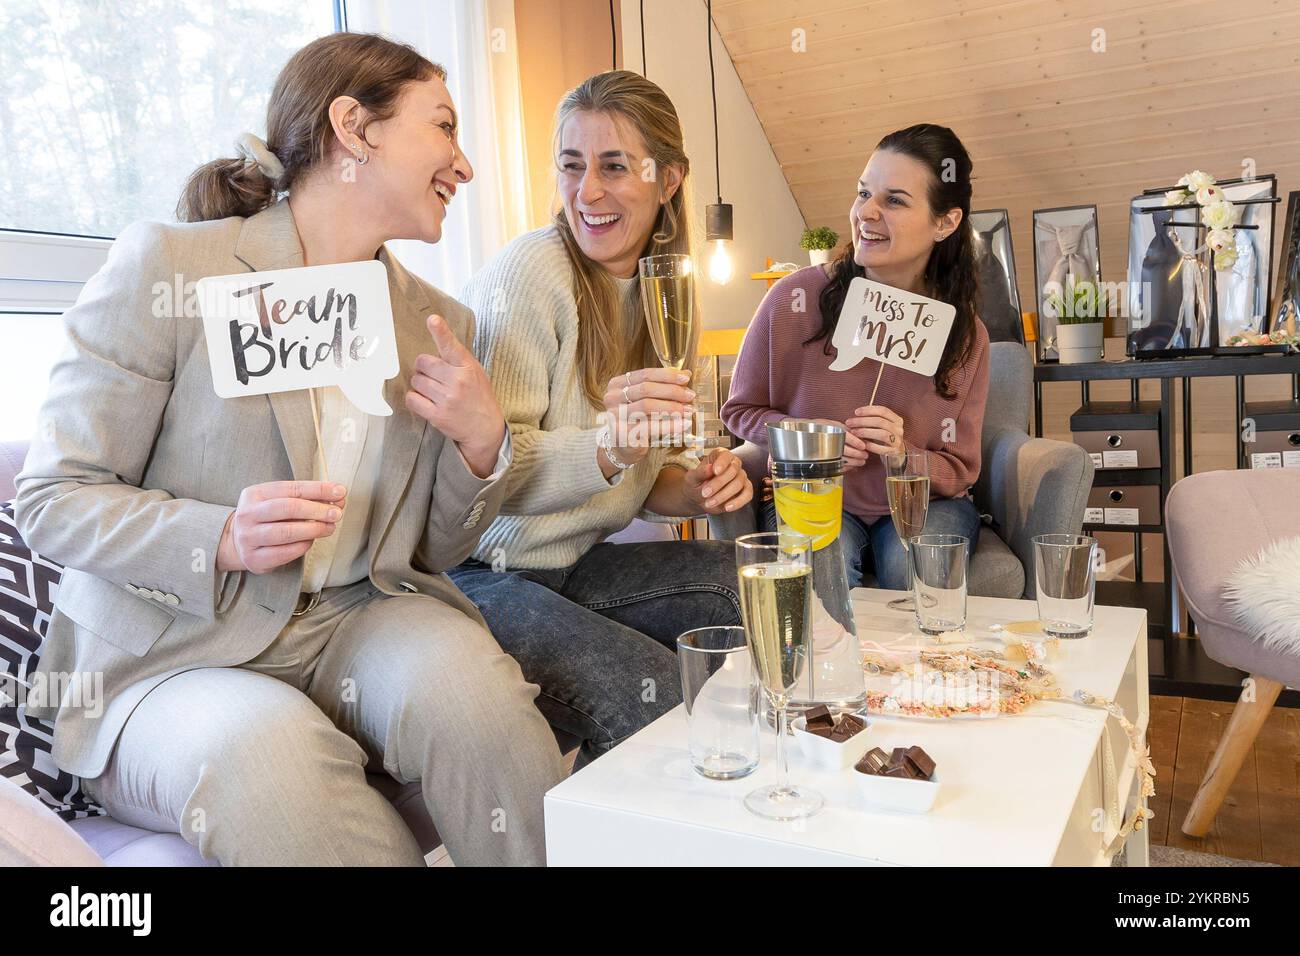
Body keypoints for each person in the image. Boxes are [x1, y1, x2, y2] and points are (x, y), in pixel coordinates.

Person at [14, 33, 566, 867]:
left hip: (353, 616)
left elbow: (434, 548)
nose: (465, 163)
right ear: (355, 128)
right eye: (444, 127)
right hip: (168, 657)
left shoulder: (433, 318)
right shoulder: (171, 267)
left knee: (476, 698)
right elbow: (52, 497)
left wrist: (483, 448)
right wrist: (220, 536)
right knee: (270, 758)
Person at [450, 71, 753, 766]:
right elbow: (490, 487)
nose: (587, 192)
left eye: (614, 167)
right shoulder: (531, 275)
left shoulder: (665, 287)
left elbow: (649, 478)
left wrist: (695, 486)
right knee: (648, 696)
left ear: (668, 178)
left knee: (750, 593)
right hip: (484, 571)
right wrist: (610, 448)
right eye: (571, 165)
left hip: (576, 562)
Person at [721, 123, 990, 590]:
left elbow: (961, 469)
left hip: (924, 504)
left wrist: (904, 456)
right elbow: (739, 412)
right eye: (863, 193)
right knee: (825, 572)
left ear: (945, 223)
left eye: (894, 200)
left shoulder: (964, 336)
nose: (866, 212)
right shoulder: (793, 299)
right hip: (816, 495)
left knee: (910, 569)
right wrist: (811, 443)